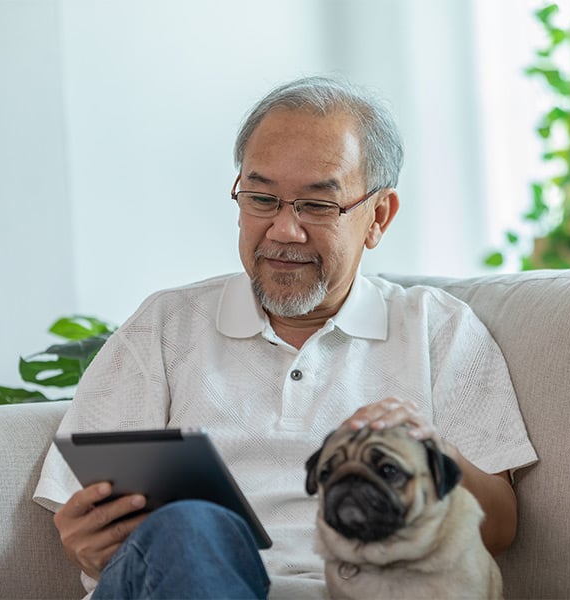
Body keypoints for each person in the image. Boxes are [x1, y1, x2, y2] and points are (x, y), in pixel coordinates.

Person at [34, 75, 537, 599]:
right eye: (261, 198)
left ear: (378, 217)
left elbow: (498, 529)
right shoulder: (166, 325)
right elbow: (86, 520)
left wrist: (435, 451)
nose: (283, 231)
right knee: (190, 529)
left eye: (317, 206)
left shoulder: (438, 328)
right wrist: (84, 542)